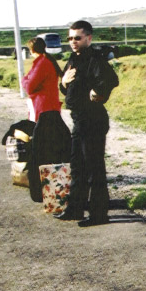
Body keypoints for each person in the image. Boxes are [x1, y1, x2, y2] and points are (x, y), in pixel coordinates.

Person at [57, 20, 119, 226]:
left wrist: (98, 92)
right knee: (77, 167)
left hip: (92, 119)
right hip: (79, 119)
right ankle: (75, 209)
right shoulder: (73, 59)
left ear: (88, 38)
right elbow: (66, 87)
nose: (72, 41)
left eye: (77, 38)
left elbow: (111, 79)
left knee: (94, 169)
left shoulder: (95, 58)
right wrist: (63, 82)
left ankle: (99, 214)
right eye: (70, 38)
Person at [22, 37, 71, 202]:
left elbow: (29, 86)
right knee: (51, 149)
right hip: (49, 108)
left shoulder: (41, 63)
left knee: (40, 152)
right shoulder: (46, 61)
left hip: (44, 110)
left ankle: (43, 191)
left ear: (31, 50)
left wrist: (24, 79)